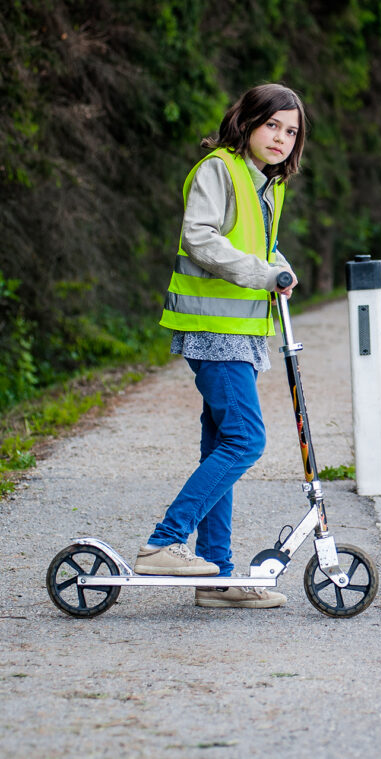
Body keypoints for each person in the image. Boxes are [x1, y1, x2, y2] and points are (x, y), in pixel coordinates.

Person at [134, 83, 306, 610]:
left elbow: (259, 245)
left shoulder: (267, 185)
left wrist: (280, 266)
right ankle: (164, 543)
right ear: (248, 122)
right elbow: (201, 237)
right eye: (272, 125)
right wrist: (264, 273)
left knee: (221, 445)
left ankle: (216, 574)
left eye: (291, 131)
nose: (280, 138)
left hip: (241, 333)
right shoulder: (219, 169)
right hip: (214, 330)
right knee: (246, 440)